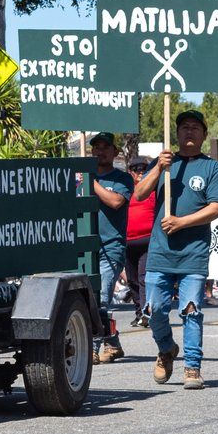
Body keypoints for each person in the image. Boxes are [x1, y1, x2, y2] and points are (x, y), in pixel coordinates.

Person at [134, 109, 218, 388]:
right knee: (154, 311)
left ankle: (192, 367)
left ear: (203, 134)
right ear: (176, 133)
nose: (189, 131)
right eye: (184, 127)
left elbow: (217, 207)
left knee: (191, 310)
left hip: (193, 253)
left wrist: (182, 222)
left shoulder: (212, 168)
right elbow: (139, 194)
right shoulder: (164, 162)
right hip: (160, 253)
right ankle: (166, 349)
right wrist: (158, 169)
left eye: (195, 128)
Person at [84, 133, 132, 363]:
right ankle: (112, 342)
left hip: (110, 249)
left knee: (100, 298)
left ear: (115, 152)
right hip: (85, 247)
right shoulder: (81, 177)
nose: (100, 151)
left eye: (106, 147)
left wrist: (90, 183)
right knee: (86, 299)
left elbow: (115, 202)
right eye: (96, 147)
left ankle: (91, 348)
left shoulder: (123, 179)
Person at [121, 158, 156, 324]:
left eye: (143, 169)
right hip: (128, 241)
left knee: (144, 277)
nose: (140, 172)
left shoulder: (153, 190)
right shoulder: (125, 190)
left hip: (147, 240)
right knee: (132, 280)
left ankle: (145, 312)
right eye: (136, 169)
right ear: (131, 172)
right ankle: (138, 312)